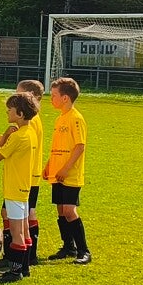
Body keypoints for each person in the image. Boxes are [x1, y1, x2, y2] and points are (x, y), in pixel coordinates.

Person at [0, 92, 41, 282]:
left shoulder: (18, 136)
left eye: (10, 110)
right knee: (25, 230)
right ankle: (25, 267)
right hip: (24, 187)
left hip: (14, 189)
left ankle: (15, 271)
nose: (7, 112)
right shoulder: (31, 133)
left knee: (16, 232)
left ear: (20, 113)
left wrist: (5, 136)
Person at [45, 77, 91, 265]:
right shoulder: (60, 118)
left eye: (54, 95)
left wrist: (65, 168)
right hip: (57, 173)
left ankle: (84, 250)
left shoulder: (76, 118)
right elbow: (57, 146)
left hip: (69, 174)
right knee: (61, 211)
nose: (51, 98)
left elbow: (80, 147)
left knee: (69, 211)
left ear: (65, 98)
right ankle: (68, 246)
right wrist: (49, 165)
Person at [14, 79, 48, 269]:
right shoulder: (35, 119)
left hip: (26, 174)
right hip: (30, 173)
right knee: (26, 213)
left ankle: (24, 256)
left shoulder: (30, 121)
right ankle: (25, 255)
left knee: (23, 214)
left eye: (18, 94)